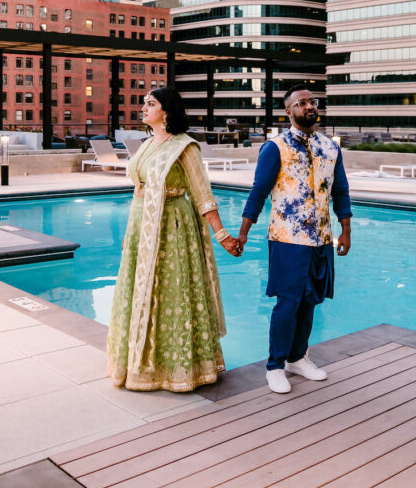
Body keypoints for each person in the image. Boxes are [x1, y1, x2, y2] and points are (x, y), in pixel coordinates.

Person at [107, 86, 240, 392]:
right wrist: (130, 233)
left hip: (173, 227)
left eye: (149, 104)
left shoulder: (185, 147)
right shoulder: (147, 144)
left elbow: (202, 194)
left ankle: (179, 369)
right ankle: (138, 365)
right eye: (143, 103)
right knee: (137, 293)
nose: (143, 108)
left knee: (172, 293)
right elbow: (137, 190)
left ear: (166, 111)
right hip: (143, 225)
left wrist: (221, 235)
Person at [237, 84, 352, 394]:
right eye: (300, 103)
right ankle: (274, 366)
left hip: (322, 239)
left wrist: (346, 230)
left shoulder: (330, 147)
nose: (308, 106)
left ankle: (297, 358)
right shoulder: (275, 147)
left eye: (311, 102)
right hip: (287, 238)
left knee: (311, 301)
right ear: (289, 112)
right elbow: (258, 191)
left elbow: (340, 190)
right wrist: (244, 233)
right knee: (288, 303)